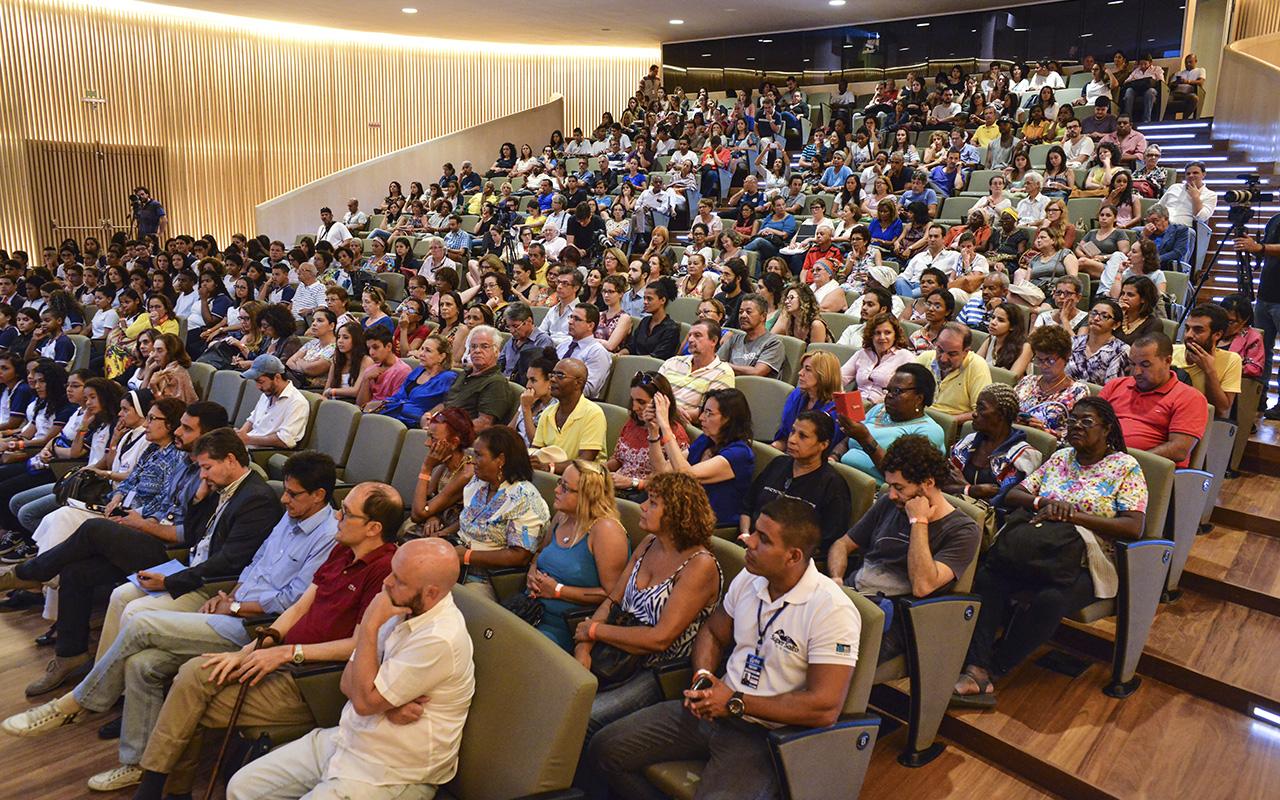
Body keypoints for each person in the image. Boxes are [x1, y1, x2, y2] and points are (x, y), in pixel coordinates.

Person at [1, 452, 341, 793]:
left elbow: (289, 601)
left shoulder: (327, 536)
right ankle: (135, 762)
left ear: (319, 495)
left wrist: (235, 607)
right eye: (285, 490)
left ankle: (77, 703)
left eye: (293, 493)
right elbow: (255, 565)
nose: (284, 498)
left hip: (254, 628)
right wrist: (227, 595)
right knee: (142, 663)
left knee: (142, 624)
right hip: (230, 604)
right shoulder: (290, 516)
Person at [590, 496, 859, 800]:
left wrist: (735, 701)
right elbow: (713, 634)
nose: (749, 541)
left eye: (764, 539)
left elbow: (824, 707)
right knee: (604, 749)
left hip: (763, 733)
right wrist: (703, 675)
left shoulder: (832, 610)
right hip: (714, 709)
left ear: (793, 556)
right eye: (754, 531)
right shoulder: (750, 577)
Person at [224, 538, 473, 800]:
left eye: (398, 580)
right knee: (242, 788)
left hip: (392, 770)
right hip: (349, 737)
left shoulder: (439, 637)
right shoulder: (401, 603)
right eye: (391, 571)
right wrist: (384, 703)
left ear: (431, 593)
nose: (386, 582)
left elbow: (365, 702)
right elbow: (348, 683)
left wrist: (368, 626)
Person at [952, 397, 1147, 707]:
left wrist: (1072, 515)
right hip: (1040, 549)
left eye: (1086, 422)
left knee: (1051, 598)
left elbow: (1133, 527)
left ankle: (993, 668)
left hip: (1088, 561)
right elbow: (1014, 494)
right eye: (1072, 421)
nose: (1076, 427)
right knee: (990, 576)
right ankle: (975, 664)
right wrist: (1043, 504)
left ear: (1107, 428)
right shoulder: (1061, 457)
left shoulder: (1125, 466)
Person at [573, 471, 721, 745]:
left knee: (584, 717)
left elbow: (659, 639)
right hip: (615, 653)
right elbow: (613, 600)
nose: (642, 505)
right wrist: (583, 649)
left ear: (677, 513)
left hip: (656, 671)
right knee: (560, 692)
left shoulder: (700, 565)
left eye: (653, 503)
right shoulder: (650, 542)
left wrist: (593, 631)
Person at [828, 434, 981, 662]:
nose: (891, 494)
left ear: (928, 484)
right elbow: (842, 545)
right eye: (890, 485)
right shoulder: (889, 503)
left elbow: (922, 586)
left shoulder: (963, 531)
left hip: (894, 621)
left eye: (899, 487)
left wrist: (919, 521)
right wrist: (837, 579)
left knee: (828, 656)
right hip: (852, 597)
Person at [526, 460, 630, 651]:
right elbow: (539, 553)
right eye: (559, 482)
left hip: (565, 626)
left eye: (565, 488)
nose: (557, 490)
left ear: (587, 496)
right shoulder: (562, 516)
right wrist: (532, 574)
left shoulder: (606, 531)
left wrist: (558, 590)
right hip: (530, 609)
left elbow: (612, 594)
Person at [455, 425, 550, 598]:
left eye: (479, 455)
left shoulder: (524, 498)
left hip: (487, 579)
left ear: (500, 460)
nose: (472, 460)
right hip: (457, 563)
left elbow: (520, 556)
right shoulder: (480, 483)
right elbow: (471, 518)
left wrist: (468, 556)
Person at [648, 387, 754, 528]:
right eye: (703, 411)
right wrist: (653, 430)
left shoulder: (740, 454)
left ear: (729, 420)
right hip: (686, 516)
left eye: (709, 413)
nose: (701, 418)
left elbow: (686, 476)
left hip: (713, 526)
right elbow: (662, 471)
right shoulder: (705, 440)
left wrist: (666, 427)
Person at [1100, 332, 1208, 468]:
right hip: (1102, 461)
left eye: (1145, 365)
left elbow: (1179, 449)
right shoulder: (1115, 385)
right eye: (1132, 364)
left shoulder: (1190, 398)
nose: (1136, 372)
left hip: (1148, 471)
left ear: (1167, 361)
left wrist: (1129, 462)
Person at [753, 411, 851, 549]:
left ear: (823, 445)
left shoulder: (833, 485)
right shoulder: (778, 464)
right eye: (792, 431)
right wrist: (747, 534)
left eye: (802, 436)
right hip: (752, 541)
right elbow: (747, 507)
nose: (792, 440)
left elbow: (828, 540)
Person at [835, 362, 946, 482]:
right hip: (841, 475)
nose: (889, 396)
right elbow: (849, 439)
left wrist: (865, 439)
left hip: (878, 491)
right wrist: (833, 457)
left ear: (919, 398)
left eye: (897, 391)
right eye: (888, 390)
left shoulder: (928, 431)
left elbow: (904, 478)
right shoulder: (879, 409)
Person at [944, 383, 1045, 512]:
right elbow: (942, 482)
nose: (974, 414)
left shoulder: (1022, 456)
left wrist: (963, 487)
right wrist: (971, 490)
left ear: (1001, 414)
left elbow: (1002, 504)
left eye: (982, 408)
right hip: (950, 509)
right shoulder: (968, 443)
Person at [607, 370, 690, 500]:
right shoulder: (633, 423)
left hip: (644, 496)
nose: (635, 407)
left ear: (660, 402)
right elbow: (618, 460)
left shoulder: (675, 434)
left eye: (641, 402)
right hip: (617, 488)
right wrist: (599, 469)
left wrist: (632, 482)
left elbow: (667, 482)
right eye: (633, 400)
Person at [1234, 218, 1280, 418]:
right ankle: (1258, 398)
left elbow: (1265, 248)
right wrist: (1252, 247)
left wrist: (1259, 247)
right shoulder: (1275, 220)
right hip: (1265, 294)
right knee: (1262, 350)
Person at [1014, 325, 1090, 441]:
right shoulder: (1027, 382)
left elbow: (1077, 435)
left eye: (1050, 360)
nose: (1043, 366)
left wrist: (1044, 431)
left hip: (1047, 449)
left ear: (1065, 358)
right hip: (1013, 438)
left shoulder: (1078, 392)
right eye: (1039, 359)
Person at [532, 358, 607, 469]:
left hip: (583, 481)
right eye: (552, 374)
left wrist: (549, 467)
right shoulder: (547, 413)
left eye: (560, 375)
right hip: (547, 477)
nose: (552, 379)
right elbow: (536, 451)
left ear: (578, 383)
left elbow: (585, 461)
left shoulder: (593, 413)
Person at [437, 325, 515, 431]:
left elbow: (484, 424)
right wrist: (430, 416)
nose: (477, 350)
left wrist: (447, 430)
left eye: (484, 346)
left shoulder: (496, 382)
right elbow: (446, 404)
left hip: (462, 437)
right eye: (473, 346)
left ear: (496, 351)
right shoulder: (464, 374)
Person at [658, 318, 735, 426]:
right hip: (657, 417)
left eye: (697, 335)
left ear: (713, 341)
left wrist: (669, 412)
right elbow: (653, 392)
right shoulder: (673, 361)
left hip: (685, 427)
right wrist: (669, 411)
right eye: (690, 335)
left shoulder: (723, 372)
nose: (690, 339)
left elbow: (709, 412)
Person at [1173, 302, 1243, 416]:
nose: (1188, 335)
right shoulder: (1171, 351)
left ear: (1217, 335)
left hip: (1199, 423)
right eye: (1187, 328)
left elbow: (1221, 410)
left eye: (1198, 330)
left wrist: (1209, 371)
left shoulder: (1231, 360)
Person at [917, 322, 992, 423]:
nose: (943, 359)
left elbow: (982, 411)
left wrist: (948, 422)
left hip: (952, 429)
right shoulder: (925, 358)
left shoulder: (977, 366)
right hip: (917, 419)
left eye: (952, 354)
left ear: (966, 352)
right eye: (940, 350)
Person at [378, 335, 458, 428]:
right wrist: (385, 404)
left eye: (428, 350)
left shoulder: (447, 378)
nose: (421, 354)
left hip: (415, 424)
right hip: (394, 416)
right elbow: (398, 395)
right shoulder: (418, 370)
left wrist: (393, 406)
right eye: (422, 349)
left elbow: (441, 406)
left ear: (441, 356)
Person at [236, 354, 311, 449]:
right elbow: (252, 420)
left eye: (261, 382)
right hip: (247, 446)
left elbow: (285, 440)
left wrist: (248, 439)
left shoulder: (297, 402)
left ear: (277, 377)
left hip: (261, 453)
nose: (258, 387)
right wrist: (240, 436)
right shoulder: (267, 394)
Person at [840, 312, 916, 405]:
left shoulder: (905, 356)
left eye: (887, 333)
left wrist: (873, 404)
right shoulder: (862, 353)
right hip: (856, 404)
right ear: (871, 335)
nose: (882, 337)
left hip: (884, 407)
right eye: (877, 333)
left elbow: (905, 393)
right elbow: (840, 378)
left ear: (895, 335)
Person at [718, 293, 785, 379]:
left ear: (763, 316)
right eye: (740, 312)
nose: (743, 316)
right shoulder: (734, 339)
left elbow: (757, 372)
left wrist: (725, 366)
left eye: (748, 312)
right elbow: (716, 362)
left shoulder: (773, 343)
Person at [1066, 298, 1131, 386]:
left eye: (1104, 316)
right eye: (1093, 313)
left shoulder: (1121, 350)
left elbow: (1111, 387)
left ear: (1116, 324)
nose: (1096, 318)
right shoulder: (1074, 342)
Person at [1218, 293, 1265, 381]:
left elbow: (1254, 368)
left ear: (1245, 320)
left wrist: (1224, 367)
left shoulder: (1253, 338)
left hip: (1230, 382)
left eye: (1231, 322)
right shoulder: (1213, 329)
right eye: (1222, 318)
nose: (1225, 324)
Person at [1157, 161, 1216, 228]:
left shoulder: (1210, 195)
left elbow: (1201, 218)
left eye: (1195, 173)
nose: (1191, 175)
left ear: (1203, 174)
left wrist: (1195, 197)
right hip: (1163, 225)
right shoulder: (1175, 187)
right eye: (1188, 173)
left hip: (1184, 228)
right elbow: (1158, 207)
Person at [1113, 275, 1164, 346]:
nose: (1124, 298)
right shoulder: (1115, 317)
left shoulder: (1153, 324)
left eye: (1130, 295)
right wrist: (1117, 314)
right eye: (1122, 293)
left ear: (1143, 299)